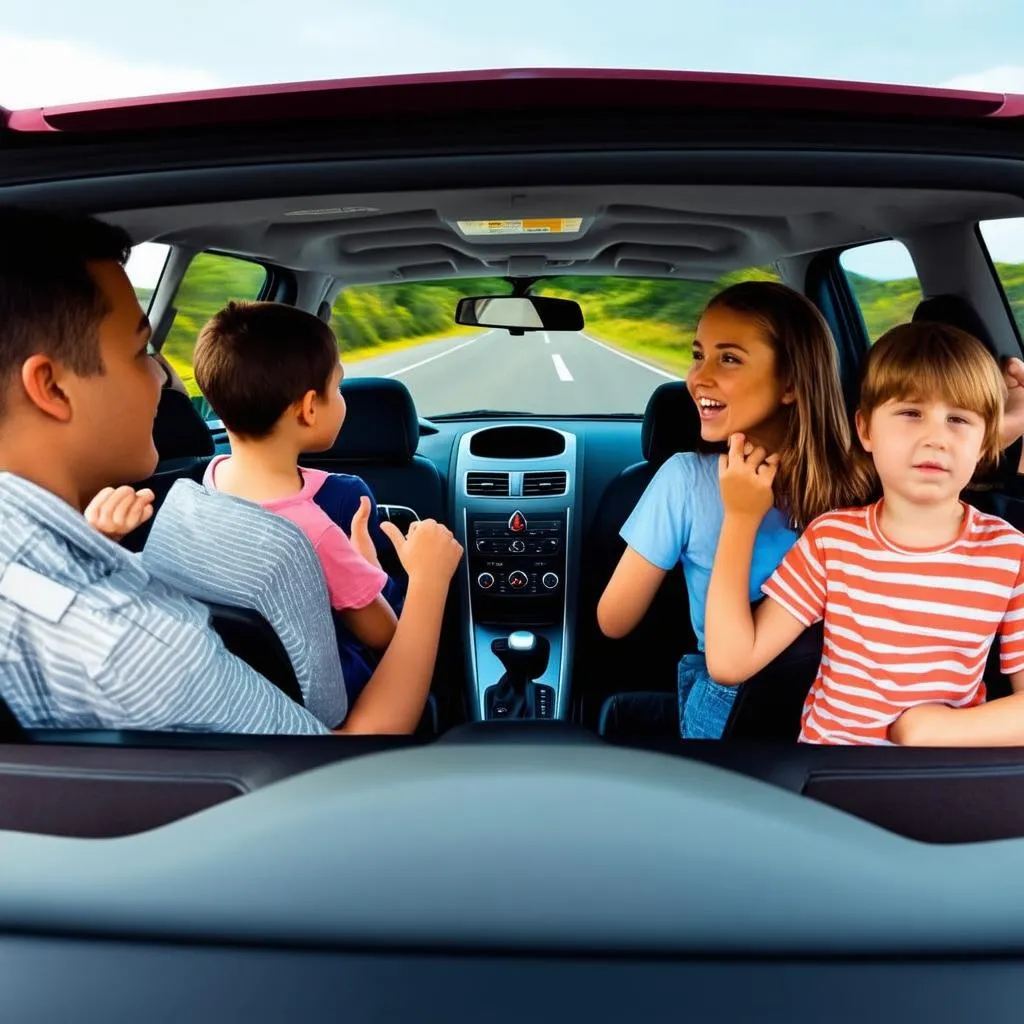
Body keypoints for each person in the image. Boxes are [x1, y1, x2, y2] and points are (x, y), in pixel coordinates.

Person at [0, 205, 462, 735]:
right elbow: (341, 753)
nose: (161, 379)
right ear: (52, 387)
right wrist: (429, 581)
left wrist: (91, 538)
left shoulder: (187, 495)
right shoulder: (136, 653)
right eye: (141, 351)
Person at [597, 281, 1024, 740]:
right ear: (865, 428)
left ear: (792, 383)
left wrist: (1001, 421)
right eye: (698, 354)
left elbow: (929, 465)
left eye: (729, 358)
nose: (699, 376)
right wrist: (741, 516)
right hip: (776, 702)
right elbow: (927, 457)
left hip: (773, 704)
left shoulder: (873, 487)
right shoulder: (849, 501)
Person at [704, 322, 1024, 745]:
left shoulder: (1008, 554)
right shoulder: (832, 540)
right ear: (866, 429)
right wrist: (740, 518)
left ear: (985, 443)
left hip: (940, 777)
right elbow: (730, 662)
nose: (936, 438)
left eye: (959, 419)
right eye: (911, 413)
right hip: (831, 772)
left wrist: (930, 729)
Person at [186, 300, 404, 701]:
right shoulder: (316, 530)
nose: (341, 397)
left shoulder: (205, 483)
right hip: (325, 703)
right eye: (337, 386)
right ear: (308, 408)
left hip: (242, 691)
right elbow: (384, 635)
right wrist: (371, 567)